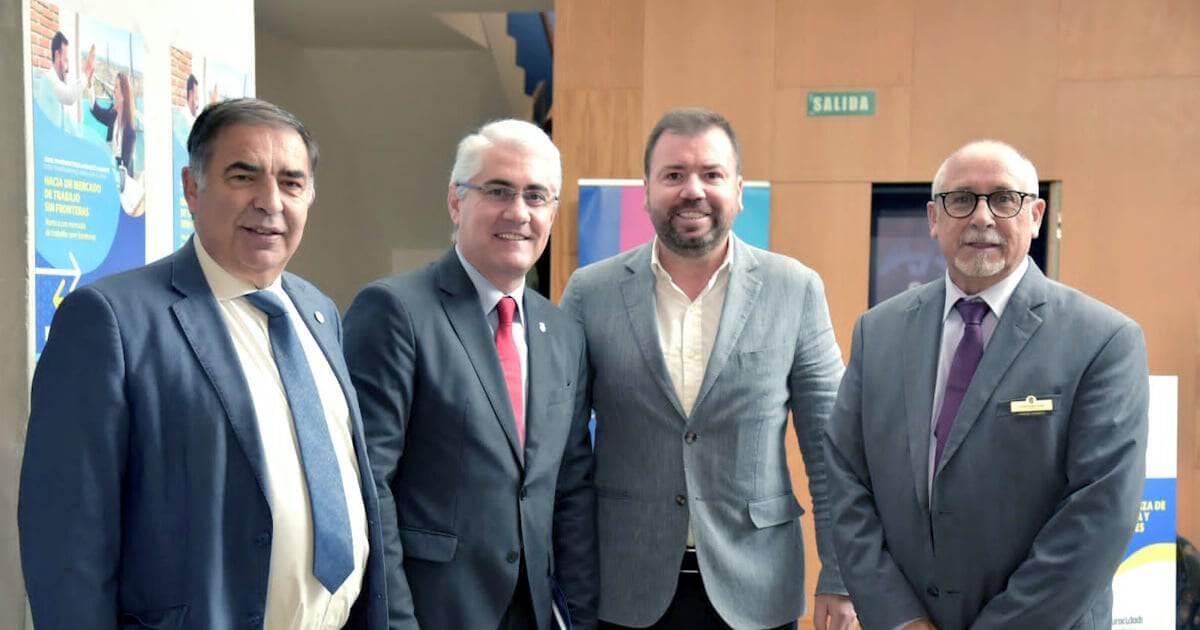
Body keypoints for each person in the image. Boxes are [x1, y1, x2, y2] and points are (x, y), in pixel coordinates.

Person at [19, 98, 387, 630]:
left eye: (291, 182)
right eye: (244, 176)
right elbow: (65, 540)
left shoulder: (318, 312)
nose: (270, 202)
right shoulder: (111, 321)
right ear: (192, 188)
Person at [824, 139, 1149, 629]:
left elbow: (1099, 516)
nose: (981, 217)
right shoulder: (879, 331)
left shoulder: (1104, 340)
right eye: (961, 200)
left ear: (1036, 216)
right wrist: (899, 618)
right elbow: (846, 480)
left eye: (1004, 199)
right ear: (934, 218)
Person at [561, 107, 855, 630]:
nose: (692, 190)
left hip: (758, 588)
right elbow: (563, 449)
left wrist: (839, 572)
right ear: (647, 190)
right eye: (673, 175)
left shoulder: (794, 289)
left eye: (711, 174)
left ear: (738, 190)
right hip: (624, 586)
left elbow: (831, 447)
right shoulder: (591, 292)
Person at [342, 119, 597, 630]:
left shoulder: (564, 331)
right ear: (457, 202)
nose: (519, 213)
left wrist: (583, 617)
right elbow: (371, 486)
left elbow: (571, 486)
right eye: (499, 190)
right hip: (434, 612)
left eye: (536, 196)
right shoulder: (394, 311)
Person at [90, 72, 138, 178]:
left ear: (124, 96)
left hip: (123, 182)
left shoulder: (130, 130)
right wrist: (90, 86)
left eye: (116, 88)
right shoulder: (112, 116)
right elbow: (96, 111)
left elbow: (125, 165)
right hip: (111, 176)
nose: (114, 91)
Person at [43, 31, 95, 126]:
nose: (68, 66)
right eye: (66, 60)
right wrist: (87, 72)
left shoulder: (60, 81)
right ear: (57, 55)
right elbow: (69, 96)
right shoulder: (49, 78)